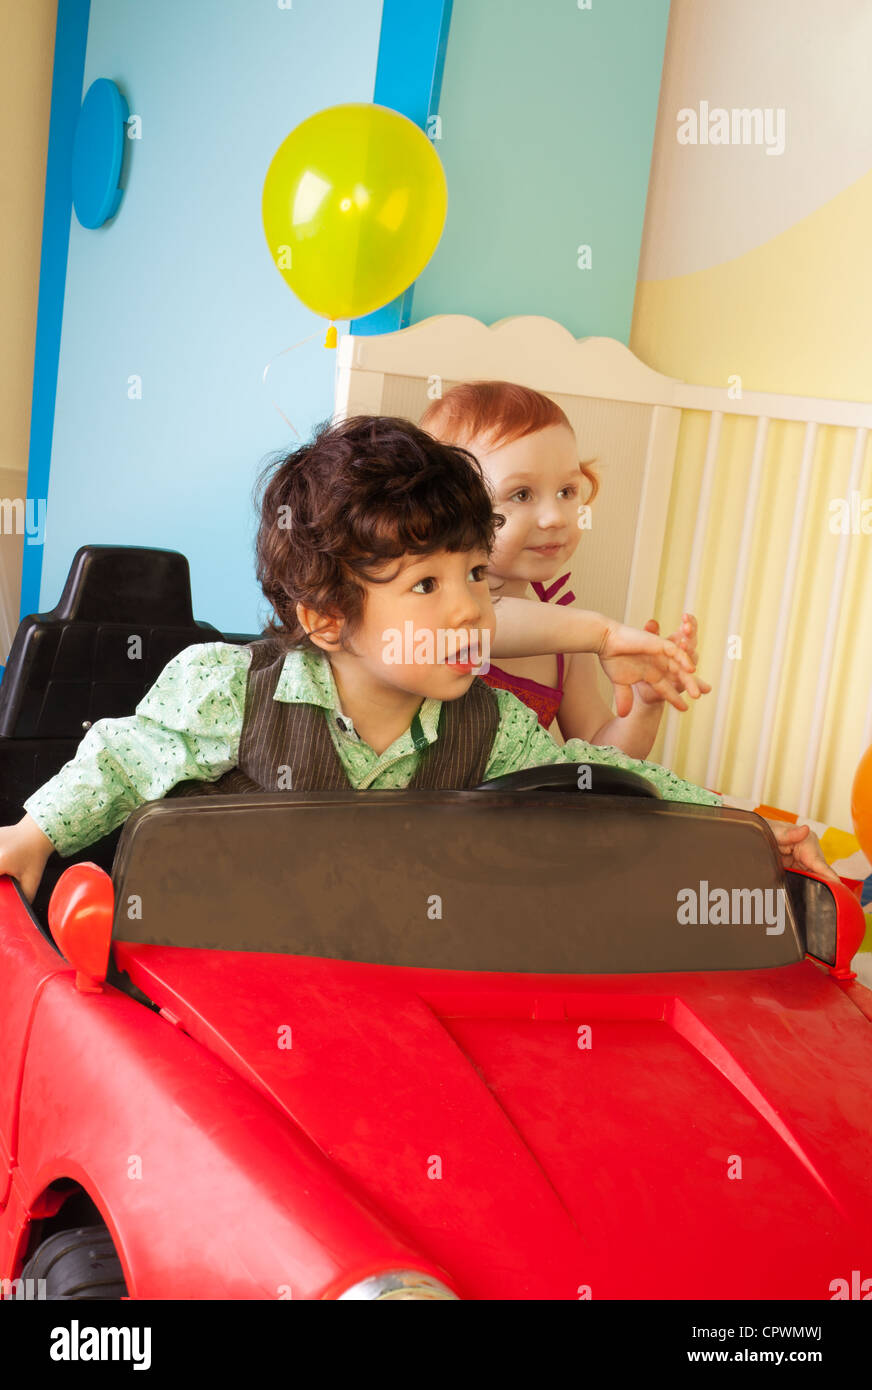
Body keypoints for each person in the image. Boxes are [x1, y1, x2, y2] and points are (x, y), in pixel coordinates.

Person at [0, 415, 833, 903]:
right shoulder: (230, 692)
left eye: (475, 572)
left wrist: (739, 820)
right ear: (328, 618)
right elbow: (117, 761)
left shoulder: (490, 726)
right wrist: (34, 837)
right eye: (426, 584)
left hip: (384, 978)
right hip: (214, 979)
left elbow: (593, 782)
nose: (471, 605)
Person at [420, 379, 710, 756]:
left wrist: (645, 704)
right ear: (446, 506)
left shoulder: (568, 644)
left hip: (516, 812)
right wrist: (601, 634)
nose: (554, 517)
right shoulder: (433, 607)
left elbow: (601, 760)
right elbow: (483, 623)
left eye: (567, 492)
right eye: (522, 494)